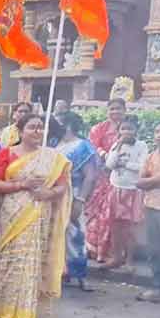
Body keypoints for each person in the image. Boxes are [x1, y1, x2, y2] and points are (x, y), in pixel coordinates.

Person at [0, 113, 72, 318]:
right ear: (20, 131)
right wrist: (22, 185)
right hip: (11, 214)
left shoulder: (51, 158)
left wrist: (49, 193)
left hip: (37, 214)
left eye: (40, 127)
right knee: (3, 259)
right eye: (32, 127)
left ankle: (22, 314)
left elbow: (62, 186)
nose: (37, 131)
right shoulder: (6, 153)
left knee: (29, 261)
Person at [51, 112, 99, 291]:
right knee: (54, 234)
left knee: (75, 235)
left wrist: (80, 200)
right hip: (53, 194)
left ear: (68, 125)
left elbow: (90, 176)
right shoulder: (53, 143)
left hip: (73, 193)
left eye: (59, 122)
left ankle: (80, 275)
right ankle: (59, 273)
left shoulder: (83, 146)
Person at [101, 116, 147, 270]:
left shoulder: (141, 146)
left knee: (131, 227)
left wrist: (125, 163)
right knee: (115, 225)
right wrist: (118, 147)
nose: (126, 132)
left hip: (133, 190)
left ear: (136, 130)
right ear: (119, 131)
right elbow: (109, 164)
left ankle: (130, 260)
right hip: (116, 189)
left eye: (130, 129)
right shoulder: (116, 145)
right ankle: (116, 257)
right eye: (123, 129)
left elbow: (142, 167)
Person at [136, 120, 160, 303]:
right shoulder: (151, 156)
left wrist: (151, 181)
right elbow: (139, 183)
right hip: (151, 206)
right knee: (154, 250)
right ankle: (158, 288)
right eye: (157, 131)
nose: (159, 135)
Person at [85, 98, 127, 262]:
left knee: (116, 214)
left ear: (125, 110)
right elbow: (92, 147)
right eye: (112, 109)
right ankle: (94, 249)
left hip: (122, 177)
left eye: (118, 109)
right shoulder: (99, 128)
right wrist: (105, 155)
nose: (115, 112)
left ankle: (113, 253)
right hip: (102, 176)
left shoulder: (128, 128)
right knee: (98, 212)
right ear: (107, 111)